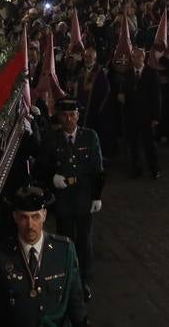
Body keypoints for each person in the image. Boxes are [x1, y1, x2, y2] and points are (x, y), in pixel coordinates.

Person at [0, 186, 88, 327]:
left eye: (35, 217)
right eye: (24, 217)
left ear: (44, 215)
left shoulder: (64, 250)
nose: (30, 225)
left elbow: (75, 301)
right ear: (15, 217)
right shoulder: (0, 255)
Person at [38, 99, 104, 301]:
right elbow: (41, 167)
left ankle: (84, 282)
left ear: (78, 115)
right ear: (59, 116)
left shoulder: (89, 136)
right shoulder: (52, 139)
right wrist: (52, 178)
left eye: (72, 114)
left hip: (84, 199)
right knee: (66, 242)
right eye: (65, 115)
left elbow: (97, 169)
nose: (69, 119)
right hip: (64, 200)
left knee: (84, 243)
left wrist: (97, 196)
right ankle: (69, 282)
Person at [120, 48, 160, 178]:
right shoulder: (128, 74)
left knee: (149, 144)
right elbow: (124, 91)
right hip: (131, 116)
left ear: (144, 58)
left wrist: (155, 117)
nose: (136, 59)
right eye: (134, 57)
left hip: (147, 116)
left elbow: (156, 97)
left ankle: (154, 169)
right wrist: (122, 96)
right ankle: (136, 169)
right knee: (133, 145)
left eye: (138, 57)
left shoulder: (151, 73)